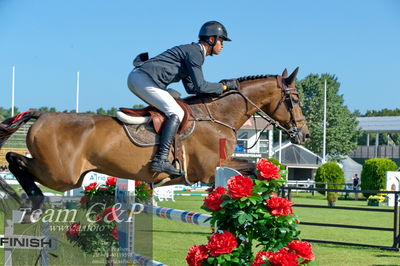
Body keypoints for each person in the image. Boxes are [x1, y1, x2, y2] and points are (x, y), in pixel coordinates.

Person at [127, 21, 239, 177]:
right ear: (211, 39)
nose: (223, 45)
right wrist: (224, 87)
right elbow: (201, 86)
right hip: (143, 79)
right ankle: (160, 159)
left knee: (175, 102)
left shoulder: (193, 52)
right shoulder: (195, 53)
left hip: (142, 78)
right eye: (221, 41)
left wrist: (220, 89)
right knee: (176, 112)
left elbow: (192, 88)